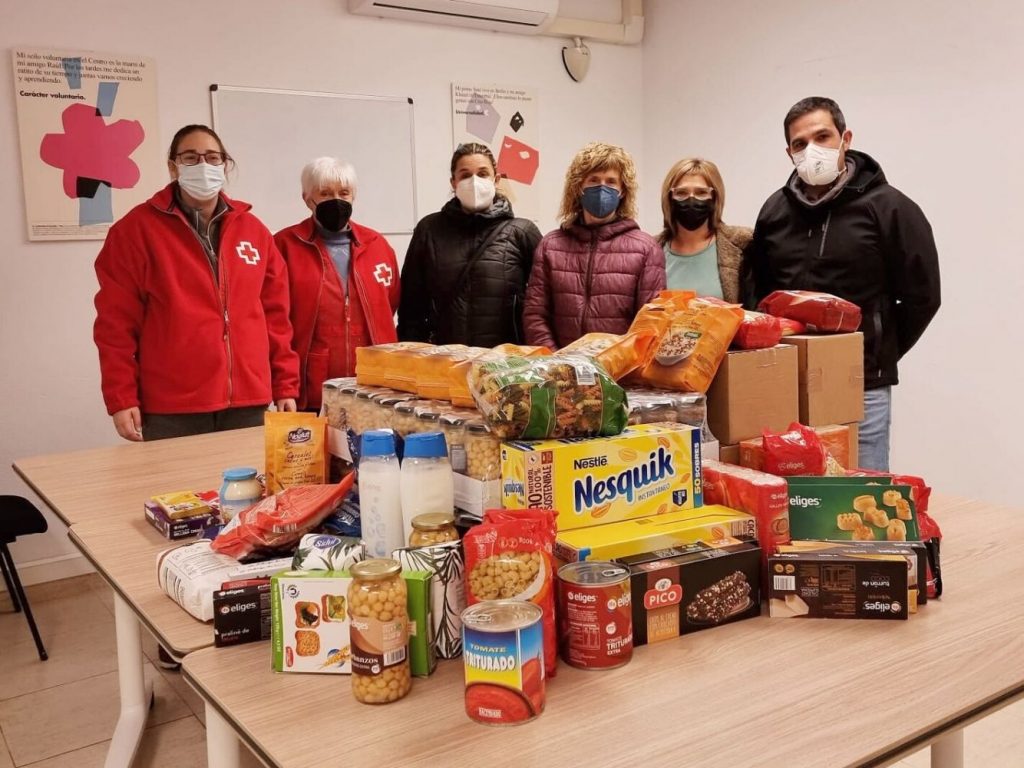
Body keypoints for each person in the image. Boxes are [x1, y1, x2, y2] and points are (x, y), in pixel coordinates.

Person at [743, 97, 941, 470]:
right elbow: (759, 294)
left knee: (859, 497)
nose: (812, 149)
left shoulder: (890, 208)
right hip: (788, 385)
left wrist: (875, 351)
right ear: (789, 152)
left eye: (823, 136)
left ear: (845, 138)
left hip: (861, 385)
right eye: (800, 144)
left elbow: (923, 296)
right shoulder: (774, 212)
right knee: (795, 499)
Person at [94, 124, 299, 442]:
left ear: (224, 165)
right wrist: (121, 398)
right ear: (173, 166)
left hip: (249, 402)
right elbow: (115, 325)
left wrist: (286, 385)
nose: (203, 165)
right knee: (176, 492)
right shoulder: (135, 232)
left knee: (250, 491)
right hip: (173, 408)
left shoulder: (254, 231)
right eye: (191, 158)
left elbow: (276, 319)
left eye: (212, 157)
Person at [275, 157, 399, 411]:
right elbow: (276, 323)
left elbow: (390, 305)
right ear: (307, 198)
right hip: (310, 389)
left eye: (344, 193)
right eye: (325, 193)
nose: (337, 200)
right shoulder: (284, 246)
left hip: (373, 389)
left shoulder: (378, 246)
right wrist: (284, 387)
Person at [397, 142, 541, 346]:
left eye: (483, 174)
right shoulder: (429, 230)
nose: (474, 181)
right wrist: (411, 355)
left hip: (506, 364)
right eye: (465, 175)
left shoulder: (522, 232)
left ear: (496, 179)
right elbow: (411, 305)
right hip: (445, 362)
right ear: (453, 182)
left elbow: (542, 305)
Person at [523, 142, 664, 349]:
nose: (602, 187)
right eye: (594, 180)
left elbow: (650, 323)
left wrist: (616, 365)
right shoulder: (551, 246)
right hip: (560, 373)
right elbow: (535, 315)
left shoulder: (646, 249)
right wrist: (556, 364)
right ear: (579, 186)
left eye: (611, 182)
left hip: (619, 376)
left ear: (622, 190)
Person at [657, 158, 751, 301]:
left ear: (715, 197)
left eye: (701, 192)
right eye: (681, 193)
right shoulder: (652, 250)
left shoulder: (742, 244)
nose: (691, 199)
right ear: (669, 198)